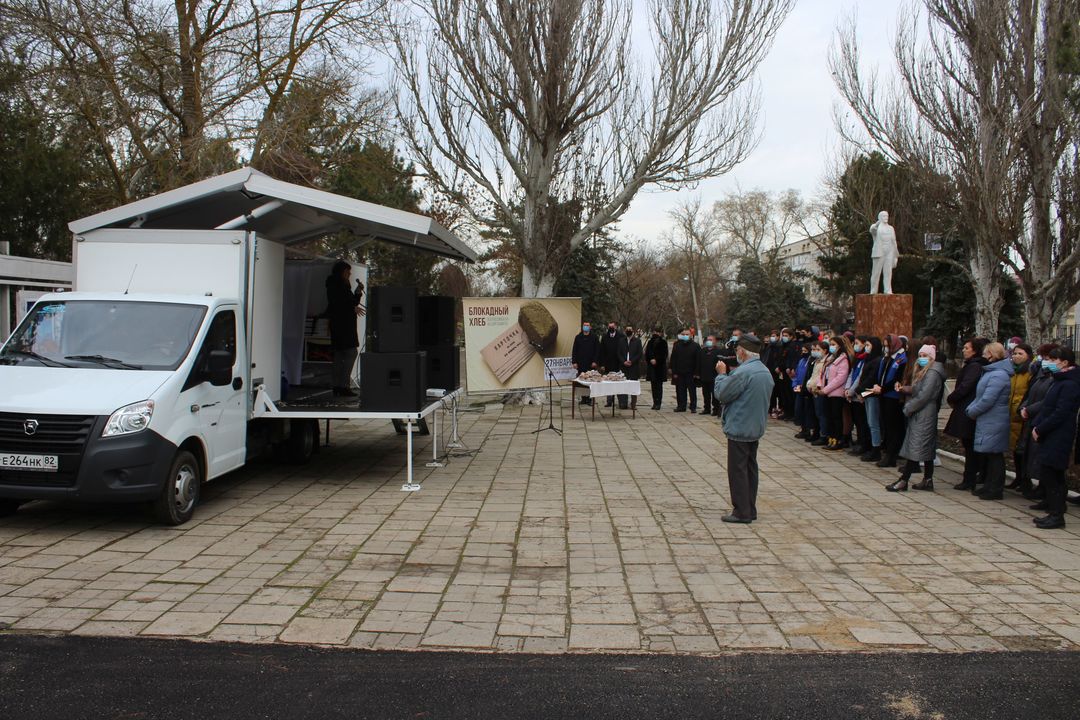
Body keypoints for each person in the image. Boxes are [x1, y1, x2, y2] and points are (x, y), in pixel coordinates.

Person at [712, 334, 774, 523]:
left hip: (740, 426)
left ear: (743, 352)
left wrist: (721, 374)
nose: (736, 353)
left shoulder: (744, 372)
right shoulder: (763, 370)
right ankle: (749, 508)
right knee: (750, 469)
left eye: (738, 350)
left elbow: (722, 394)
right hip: (754, 427)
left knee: (737, 471)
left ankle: (741, 512)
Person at [1030, 347, 1080, 529]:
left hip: (1059, 434)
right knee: (1050, 472)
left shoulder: (1070, 384)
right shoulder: (1060, 380)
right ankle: (1054, 511)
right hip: (1051, 432)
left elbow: (1060, 412)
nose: (1050, 362)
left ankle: (1057, 515)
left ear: (1065, 363)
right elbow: (1048, 407)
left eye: (1053, 360)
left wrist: (1041, 428)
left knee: (1053, 474)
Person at [887, 344, 947, 491]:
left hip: (924, 413)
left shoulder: (932, 373)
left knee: (916, 445)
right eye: (920, 356)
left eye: (925, 356)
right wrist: (905, 389)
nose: (921, 359)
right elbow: (918, 389)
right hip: (922, 412)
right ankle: (928, 479)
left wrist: (908, 408)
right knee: (925, 446)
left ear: (932, 357)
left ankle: (904, 480)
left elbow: (924, 396)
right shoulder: (926, 371)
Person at [964, 342, 1014, 500]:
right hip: (988, 419)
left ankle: (995, 488)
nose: (983, 355)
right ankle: (988, 485)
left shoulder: (998, 374)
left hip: (994, 419)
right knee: (989, 454)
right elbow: (980, 396)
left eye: (986, 353)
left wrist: (973, 411)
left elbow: (988, 399)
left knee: (995, 455)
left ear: (992, 354)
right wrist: (971, 408)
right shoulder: (991, 372)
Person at [1018, 343, 1059, 499]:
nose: (1044, 360)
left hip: (1042, 419)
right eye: (1042, 357)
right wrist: (1024, 408)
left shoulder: (1054, 378)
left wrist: (1029, 410)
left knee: (1043, 457)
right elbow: (1030, 394)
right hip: (1032, 418)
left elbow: (1047, 400)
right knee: (1031, 454)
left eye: (1047, 358)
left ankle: (1046, 492)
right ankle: (1039, 488)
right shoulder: (1040, 374)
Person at [325, 260, 365, 397]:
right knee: (350, 352)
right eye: (347, 271)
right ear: (341, 272)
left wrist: (358, 292)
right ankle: (343, 385)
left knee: (339, 355)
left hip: (340, 325)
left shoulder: (339, 285)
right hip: (343, 326)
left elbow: (350, 302)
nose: (349, 274)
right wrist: (352, 307)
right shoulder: (338, 286)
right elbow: (340, 304)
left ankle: (338, 386)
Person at [873, 334, 908, 467]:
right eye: (884, 346)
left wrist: (882, 388)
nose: (886, 348)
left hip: (893, 397)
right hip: (883, 395)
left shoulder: (901, 359)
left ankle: (892, 455)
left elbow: (896, 379)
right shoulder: (887, 358)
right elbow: (882, 375)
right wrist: (878, 386)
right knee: (886, 425)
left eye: (887, 346)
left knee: (894, 427)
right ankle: (888, 453)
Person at [1005, 343, 1034, 491]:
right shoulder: (1013, 371)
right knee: (1016, 450)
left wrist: (1021, 408)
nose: (1016, 356)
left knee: (1023, 450)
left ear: (1028, 355)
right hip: (1011, 414)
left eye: (1020, 354)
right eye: (1014, 353)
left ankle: (1025, 480)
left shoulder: (1030, 372)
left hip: (1022, 415)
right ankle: (1018, 478)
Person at [819, 335, 853, 450]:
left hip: (836, 393)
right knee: (829, 416)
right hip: (828, 392)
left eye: (833, 344)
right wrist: (821, 386)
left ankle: (838, 440)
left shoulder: (843, 359)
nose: (831, 347)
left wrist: (826, 389)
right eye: (830, 344)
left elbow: (840, 378)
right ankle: (831, 438)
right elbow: (825, 374)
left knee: (836, 417)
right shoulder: (832, 358)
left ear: (840, 346)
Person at [857, 337, 886, 462]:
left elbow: (871, 378)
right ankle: (873, 447)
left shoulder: (877, 360)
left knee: (873, 423)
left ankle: (876, 449)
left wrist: (859, 390)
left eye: (868, 345)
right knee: (870, 422)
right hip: (867, 393)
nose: (866, 347)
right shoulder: (869, 359)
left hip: (872, 394)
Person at [845, 335, 871, 456]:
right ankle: (860, 441)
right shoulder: (858, 358)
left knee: (862, 421)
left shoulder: (866, 359)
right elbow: (851, 374)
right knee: (857, 420)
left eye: (857, 343)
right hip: (853, 394)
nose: (855, 346)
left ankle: (864, 443)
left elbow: (860, 377)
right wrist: (847, 389)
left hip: (860, 394)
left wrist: (852, 391)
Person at [599, 321, 629, 408]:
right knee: (609, 383)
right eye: (609, 327)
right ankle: (609, 401)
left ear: (616, 327)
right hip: (608, 364)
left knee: (620, 383)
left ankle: (622, 402)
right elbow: (602, 351)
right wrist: (602, 364)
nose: (611, 328)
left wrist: (624, 361)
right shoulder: (605, 337)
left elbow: (624, 350)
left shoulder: (621, 336)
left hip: (619, 364)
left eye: (612, 327)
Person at [669, 329, 700, 412]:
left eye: (687, 334)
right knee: (680, 390)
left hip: (691, 372)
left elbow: (698, 360)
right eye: (683, 334)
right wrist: (673, 370)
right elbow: (673, 358)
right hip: (679, 372)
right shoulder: (677, 345)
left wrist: (697, 372)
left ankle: (693, 407)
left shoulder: (695, 346)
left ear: (690, 335)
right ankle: (681, 406)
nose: (685, 336)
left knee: (692, 390)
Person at [870, 210, 899, 294]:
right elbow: (872, 230)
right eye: (884, 216)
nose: (886, 217)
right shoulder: (876, 227)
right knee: (876, 273)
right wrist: (876, 224)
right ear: (879, 217)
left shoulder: (891, 228)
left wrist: (895, 256)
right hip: (879, 252)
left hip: (889, 252)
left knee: (888, 272)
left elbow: (894, 242)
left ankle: (888, 290)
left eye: (887, 216)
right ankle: (873, 290)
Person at [572, 321, 600, 405]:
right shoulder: (578, 337)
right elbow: (574, 350)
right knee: (582, 381)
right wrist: (574, 362)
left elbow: (597, 350)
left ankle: (590, 399)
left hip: (590, 364)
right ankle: (583, 398)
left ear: (590, 327)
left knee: (590, 382)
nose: (586, 327)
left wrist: (595, 361)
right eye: (584, 325)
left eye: (587, 325)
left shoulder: (594, 337)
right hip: (581, 363)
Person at [644, 327, 668, 410]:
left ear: (660, 333)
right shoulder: (650, 342)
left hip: (660, 367)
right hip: (652, 367)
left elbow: (664, 354)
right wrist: (650, 359)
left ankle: (658, 403)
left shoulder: (663, 342)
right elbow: (647, 353)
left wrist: (657, 360)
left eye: (658, 332)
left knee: (659, 386)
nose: (656, 333)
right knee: (653, 386)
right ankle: (655, 402)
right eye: (655, 332)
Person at [698, 334, 722, 416]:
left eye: (711, 340)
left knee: (715, 395)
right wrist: (698, 373)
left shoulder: (718, 351)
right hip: (704, 376)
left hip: (714, 376)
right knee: (705, 394)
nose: (709, 341)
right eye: (708, 340)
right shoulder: (702, 351)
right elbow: (699, 362)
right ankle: (706, 408)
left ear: (715, 341)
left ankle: (716, 409)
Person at [622, 324, 643, 410]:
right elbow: (618, 352)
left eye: (630, 329)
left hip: (634, 366)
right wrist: (623, 361)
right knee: (623, 385)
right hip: (623, 366)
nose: (628, 331)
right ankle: (623, 403)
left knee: (633, 385)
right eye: (627, 329)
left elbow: (639, 353)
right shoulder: (621, 341)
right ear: (625, 331)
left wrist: (632, 361)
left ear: (633, 331)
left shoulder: (637, 341)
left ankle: (633, 404)